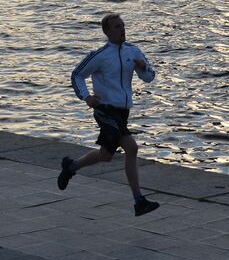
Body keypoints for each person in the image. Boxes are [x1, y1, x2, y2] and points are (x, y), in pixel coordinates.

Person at [57, 12, 160, 216]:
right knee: (131, 147)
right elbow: (77, 74)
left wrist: (143, 67)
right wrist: (86, 97)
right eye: (116, 27)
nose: (122, 30)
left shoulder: (134, 51)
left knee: (105, 155)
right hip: (105, 110)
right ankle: (139, 201)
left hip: (123, 111)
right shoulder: (101, 55)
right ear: (106, 32)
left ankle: (71, 166)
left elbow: (149, 77)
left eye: (122, 26)